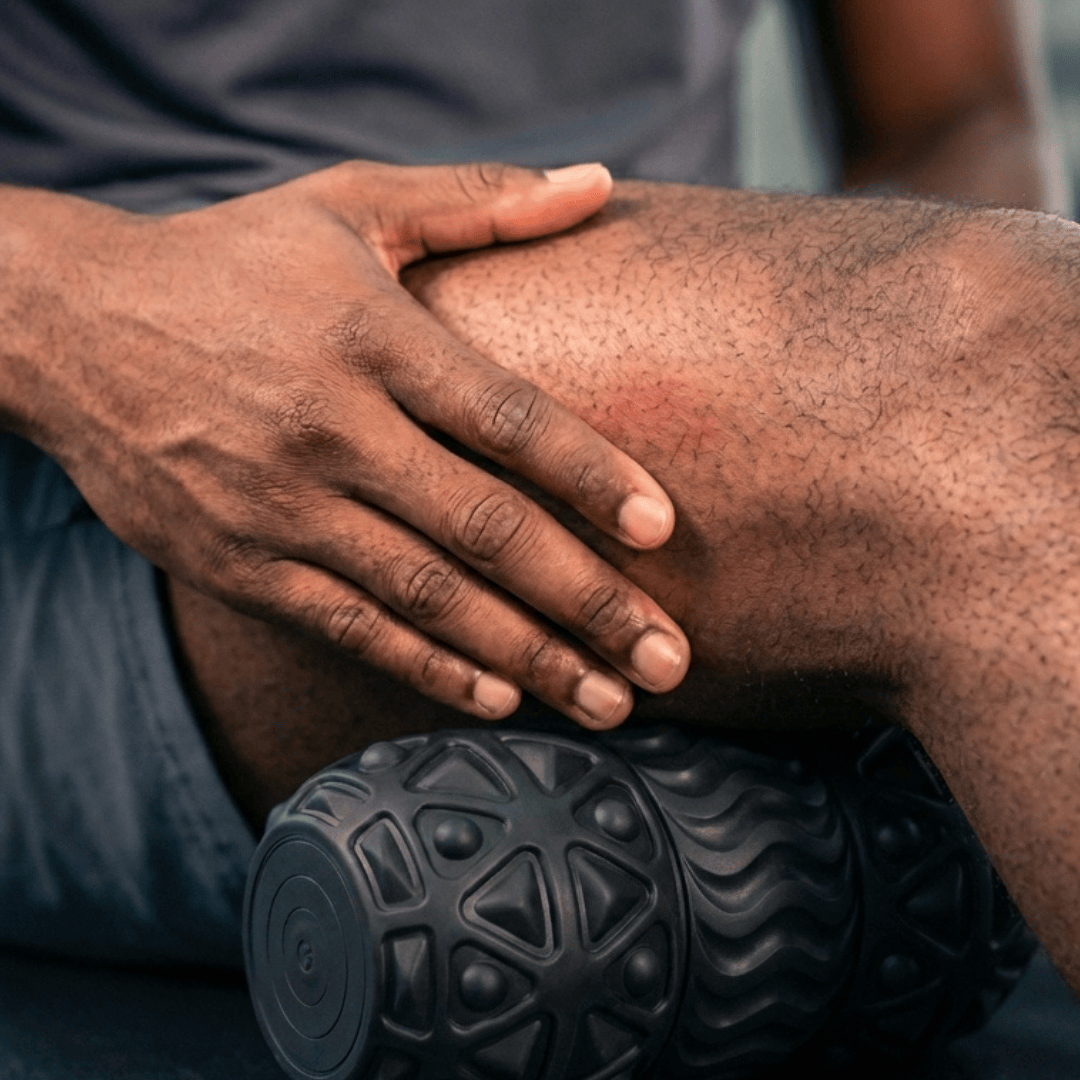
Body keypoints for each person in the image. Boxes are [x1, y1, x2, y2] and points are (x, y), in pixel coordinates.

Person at [0, 0, 1068, 972]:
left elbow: (955, 114)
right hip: (122, 450)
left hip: (655, 303)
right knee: (1007, 372)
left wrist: (853, 451)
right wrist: (74, 317)